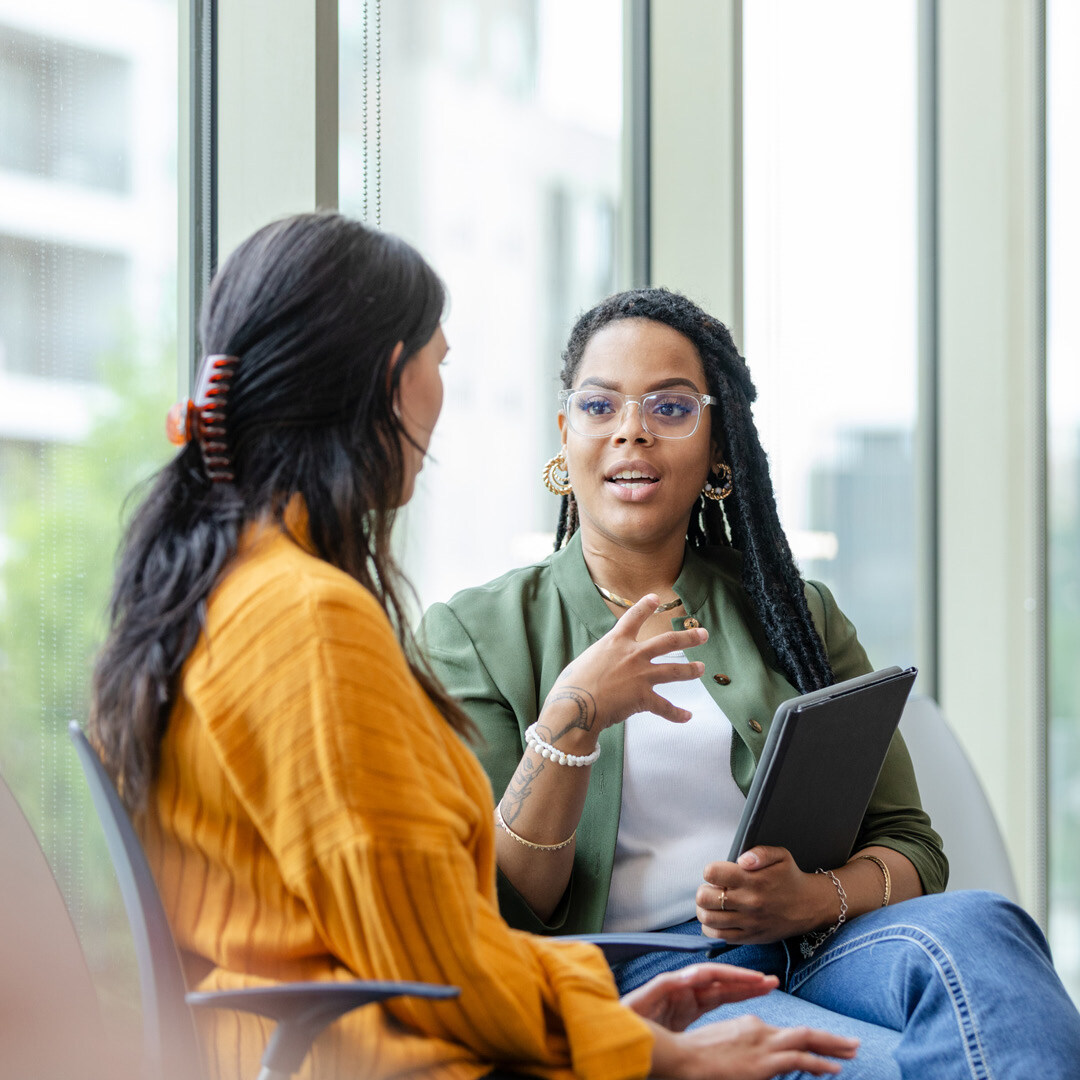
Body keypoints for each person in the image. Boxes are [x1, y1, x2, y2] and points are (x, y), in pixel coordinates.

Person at [87, 214, 860, 1080]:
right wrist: (649, 1052)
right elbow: (428, 964)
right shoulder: (307, 622)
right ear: (393, 378)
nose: (631, 432)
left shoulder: (234, 591)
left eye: (669, 407)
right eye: (440, 363)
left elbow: (423, 941)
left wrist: (593, 1010)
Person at [420, 286, 1080, 1079]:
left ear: (718, 449)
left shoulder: (794, 613)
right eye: (601, 405)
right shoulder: (473, 633)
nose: (631, 429)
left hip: (825, 945)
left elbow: (913, 848)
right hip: (653, 975)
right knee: (901, 1066)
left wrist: (813, 898)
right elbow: (506, 906)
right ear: (566, 436)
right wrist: (574, 718)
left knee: (988, 927)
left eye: (670, 409)